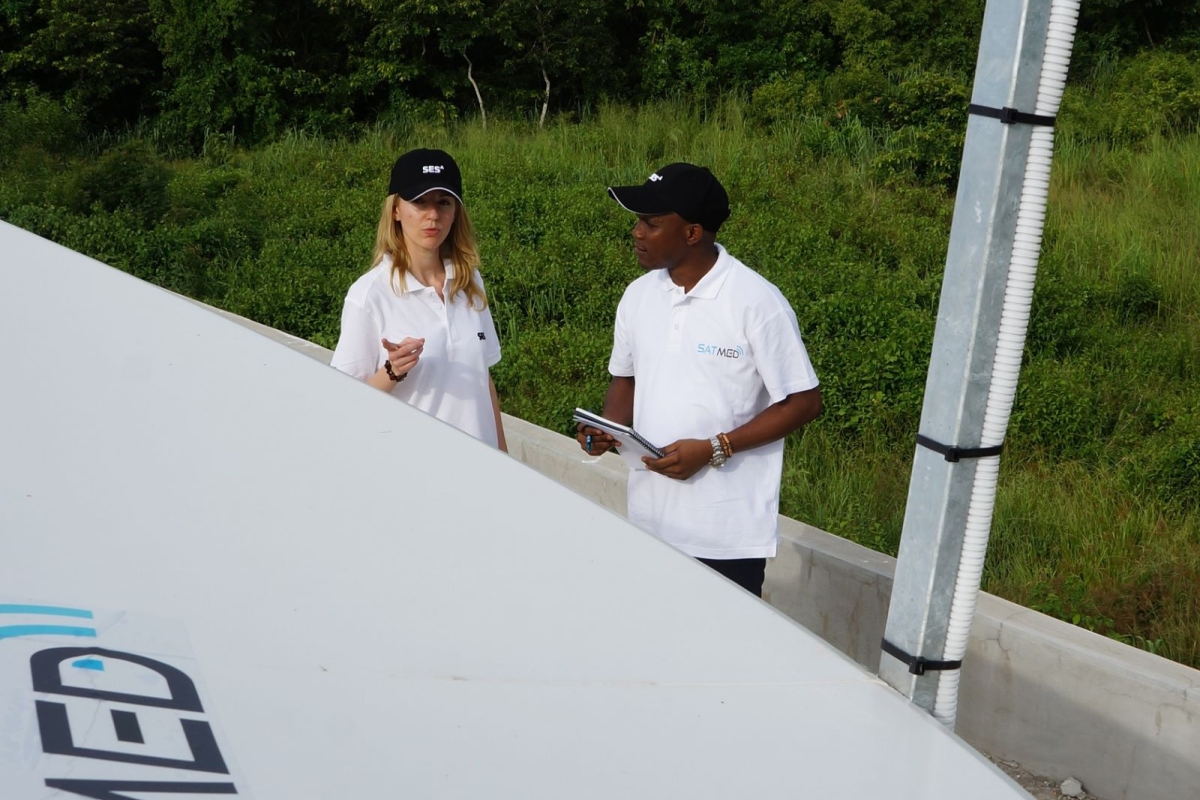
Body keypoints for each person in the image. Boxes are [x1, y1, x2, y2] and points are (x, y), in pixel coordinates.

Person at [578, 162, 821, 597]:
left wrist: (714, 448)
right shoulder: (638, 296)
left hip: (724, 534)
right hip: (650, 520)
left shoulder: (756, 303)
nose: (636, 232)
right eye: (637, 221)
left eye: (651, 223)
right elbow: (626, 379)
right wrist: (606, 428)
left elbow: (804, 402)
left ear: (692, 233)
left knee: (721, 660)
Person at [331, 148, 507, 451]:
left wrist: (506, 460)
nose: (433, 215)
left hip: (482, 469)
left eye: (443, 202)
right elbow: (343, 403)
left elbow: (484, 381)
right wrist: (392, 371)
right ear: (396, 210)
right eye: (419, 201)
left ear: (456, 212)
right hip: (416, 472)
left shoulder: (469, 282)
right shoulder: (369, 295)